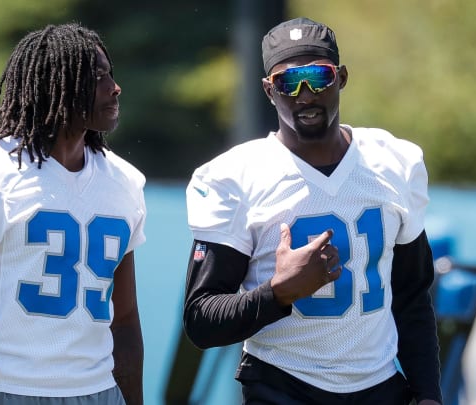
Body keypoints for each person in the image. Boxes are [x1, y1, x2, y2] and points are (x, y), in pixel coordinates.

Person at [183, 17, 442, 405]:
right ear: (269, 91)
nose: (305, 94)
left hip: (379, 387)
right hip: (281, 386)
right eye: (289, 82)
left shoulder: (395, 163)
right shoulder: (235, 177)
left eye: (318, 77)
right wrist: (279, 292)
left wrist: (428, 395)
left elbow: (411, 295)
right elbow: (201, 320)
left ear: (341, 78)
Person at [0, 23, 146, 405]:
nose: (114, 87)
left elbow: (123, 320)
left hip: (98, 393)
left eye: (111, 74)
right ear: (55, 84)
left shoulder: (123, 180)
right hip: (3, 389)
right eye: (98, 77)